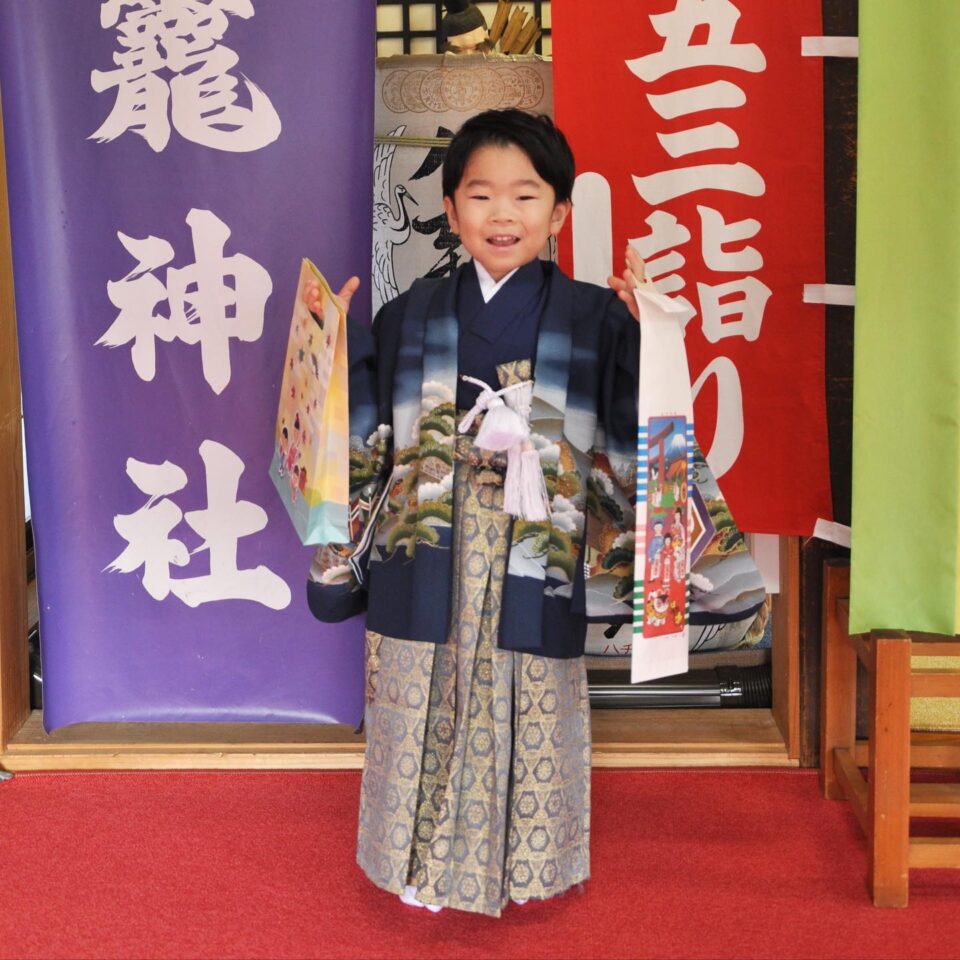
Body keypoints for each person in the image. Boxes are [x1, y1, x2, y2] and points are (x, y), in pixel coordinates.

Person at [309, 109, 648, 918]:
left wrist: (650, 338)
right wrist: (332, 348)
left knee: (522, 694)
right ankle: (417, 862)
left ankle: (518, 867)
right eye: (481, 195)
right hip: (428, 539)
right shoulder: (408, 315)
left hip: (535, 540)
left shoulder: (597, 318)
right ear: (452, 210)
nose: (504, 216)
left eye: (526, 196)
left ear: (558, 213)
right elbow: (368, 434)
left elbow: (635, 425)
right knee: (422, 691)